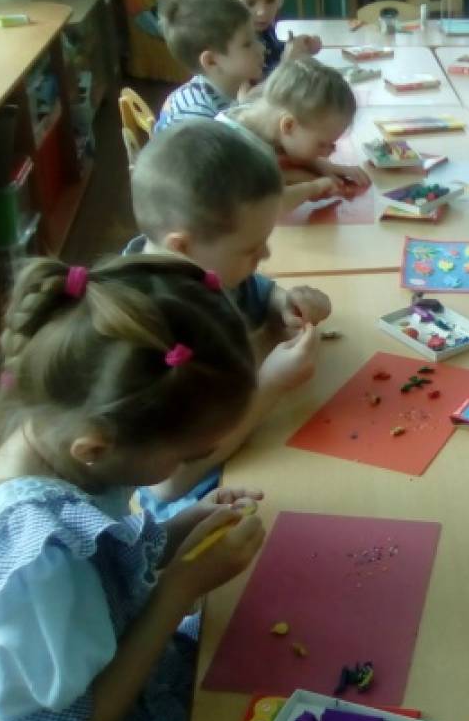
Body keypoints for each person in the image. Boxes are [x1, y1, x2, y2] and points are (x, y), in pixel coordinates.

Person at [0, 255, 265, 721]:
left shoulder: (44, 434)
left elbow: (104, 566)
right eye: (185, 456)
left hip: (139, 667)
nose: (188, 465)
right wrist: (180, 589)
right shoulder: (39, 562)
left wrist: (181, 530)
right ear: (95, 449)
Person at [128, 119, 330, 513]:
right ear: (181, 247)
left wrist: (285, 302)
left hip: (253, 446)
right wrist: (271, 385)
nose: (265, 256)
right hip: (195, 508)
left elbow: (257, 288)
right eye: (251, 248)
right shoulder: (142, 331)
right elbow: (166, 485)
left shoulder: (203, 268)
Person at [225, 57, 371, 209]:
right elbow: (269, 205)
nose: (328, 153)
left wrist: (324, 166)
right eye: (321, 144)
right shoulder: (239, 151)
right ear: (288, 125)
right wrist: (312, 188)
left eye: (331, 145)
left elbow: (283, 157)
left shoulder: (263, 124)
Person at [154, 0, 263, 133]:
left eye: (256, 37)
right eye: (247, 44)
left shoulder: (231, 87)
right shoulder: (197, 117)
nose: (261, 48)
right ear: (211, 61)